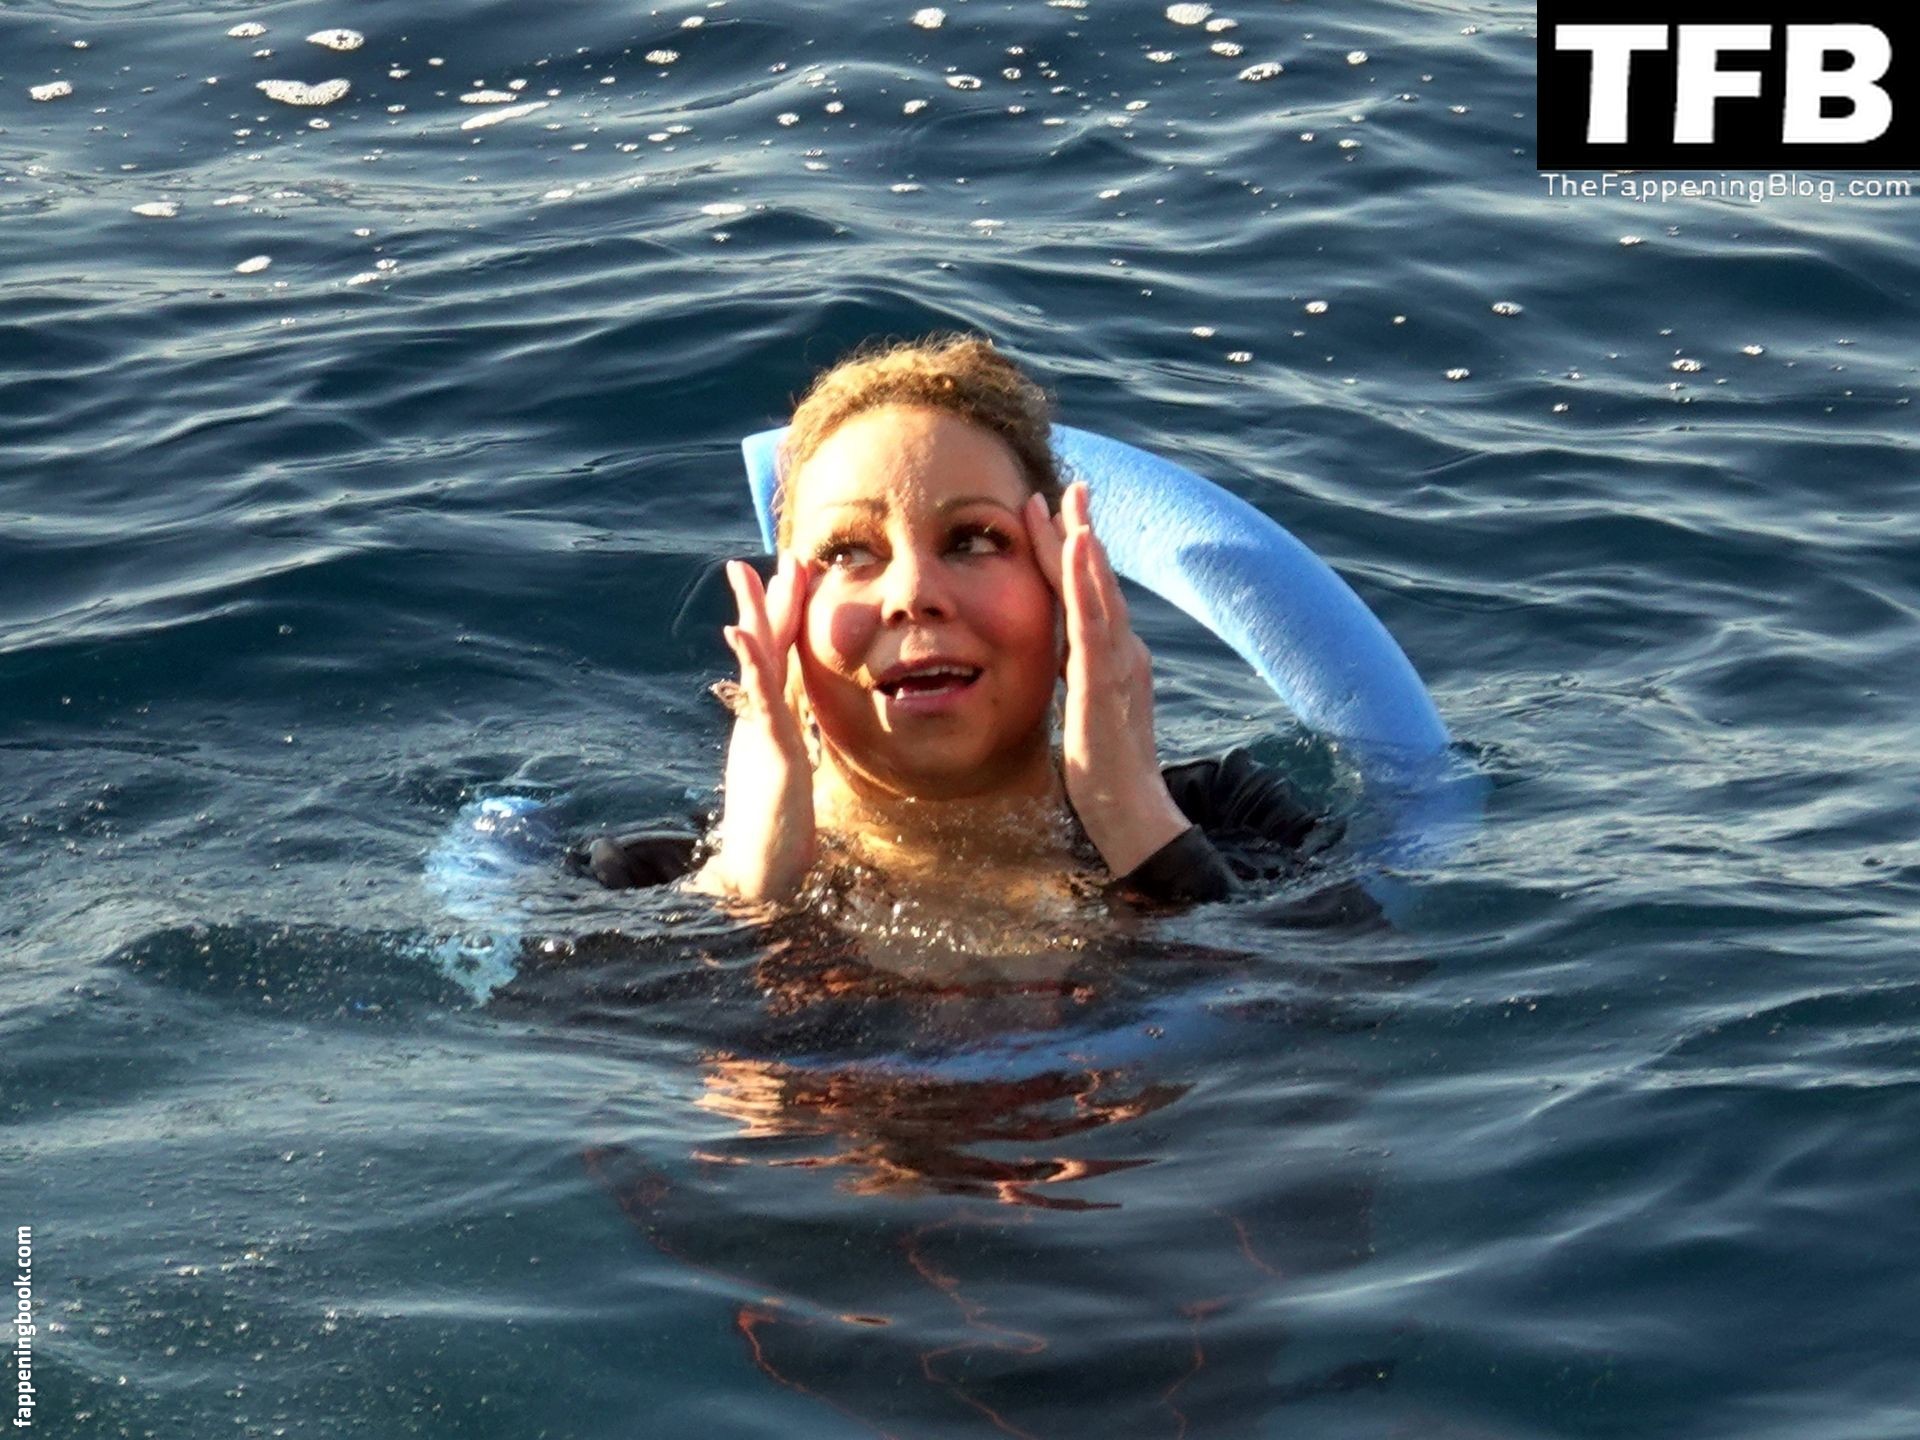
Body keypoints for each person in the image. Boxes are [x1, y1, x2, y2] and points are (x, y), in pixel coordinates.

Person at [574, 335, 1336, 911]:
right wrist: (747, 890)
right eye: (848, 553)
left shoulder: (1237, 823)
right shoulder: (635, 885)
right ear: (788, 617)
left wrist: (1132, 819)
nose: (913, 593)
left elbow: (1338, 1033)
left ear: (1062, 586)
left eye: (973, 540)